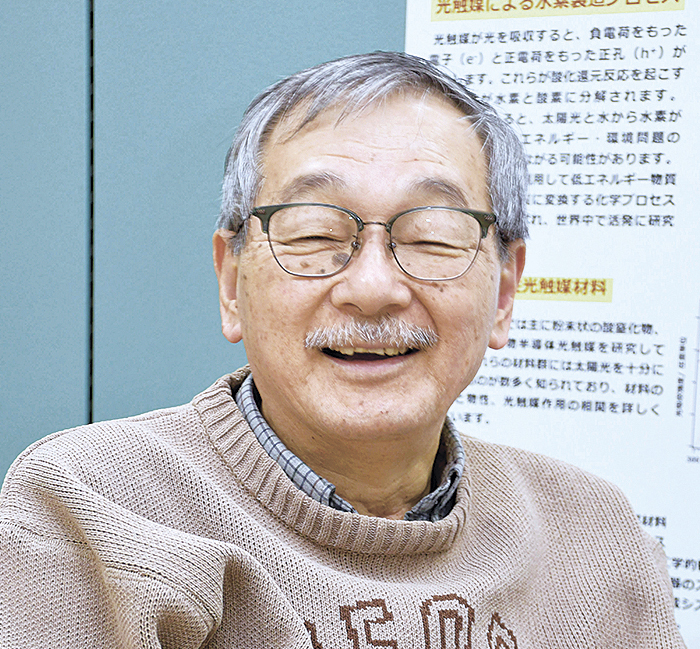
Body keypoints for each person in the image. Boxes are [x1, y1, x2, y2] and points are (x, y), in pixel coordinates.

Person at [0, 52, 685, 648]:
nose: (373, 288)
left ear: (504, 292)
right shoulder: (92, 504)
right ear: (231, 282)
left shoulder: (595, 534)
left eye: (432, 235)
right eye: (314, 233)